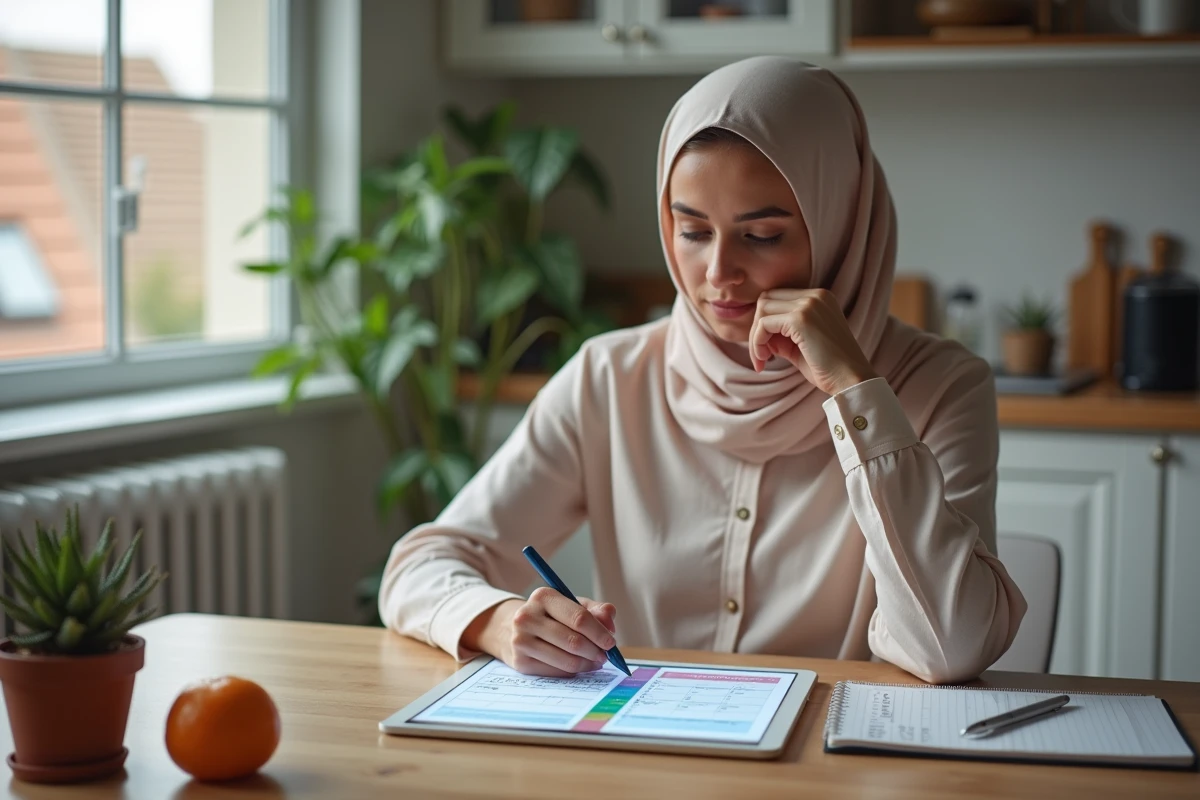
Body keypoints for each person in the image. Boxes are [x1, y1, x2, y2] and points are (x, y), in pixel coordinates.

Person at [378, 56, 1027, 684]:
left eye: (763, 235)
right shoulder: (611, 378)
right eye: (691, 231)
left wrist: (857, 394)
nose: (718, 275)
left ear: (841, 225)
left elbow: (950, 646)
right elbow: (418, 567)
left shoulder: (941, 387)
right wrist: (496, 621)